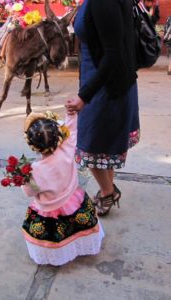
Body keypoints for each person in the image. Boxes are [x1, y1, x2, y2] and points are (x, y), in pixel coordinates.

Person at [65, 0, 140, 217]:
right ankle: (107, 190)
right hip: (104, 80)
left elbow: (114, 53)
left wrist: (84, 96)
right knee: (103, 144)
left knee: (89, 145)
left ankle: (108, 192)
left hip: (106, 87)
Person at [21, 111, 104, 266]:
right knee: (77, 226)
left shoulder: (34, 170)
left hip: (49, 208)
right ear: (58, 135)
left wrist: (23, 179)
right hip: (73, 198)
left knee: (53, 234)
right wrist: (70, 114)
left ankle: (58, 255)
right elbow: (72, 130)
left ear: (33, 146)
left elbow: (28, 191)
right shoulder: (67, 148)